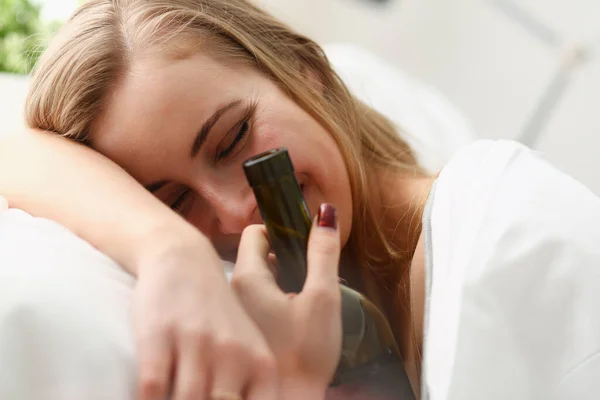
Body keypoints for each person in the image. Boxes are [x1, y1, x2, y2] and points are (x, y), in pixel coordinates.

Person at [1, 1, 600, 399]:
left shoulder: (511, 235)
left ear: (305, 69)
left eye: (234, 139)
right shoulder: (302, 322)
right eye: (174, 200)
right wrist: (167, 250)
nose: (235, 212)